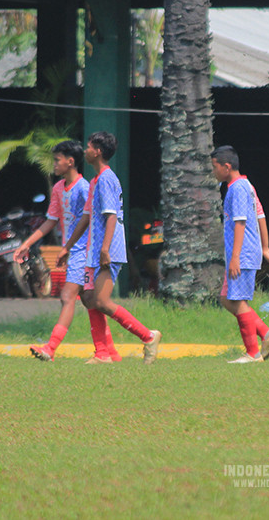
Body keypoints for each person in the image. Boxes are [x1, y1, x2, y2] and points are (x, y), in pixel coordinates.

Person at [58, 132, 162, 364]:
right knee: (88, 297)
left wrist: (105, 248)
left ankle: (148, 336)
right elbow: (86, 217)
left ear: (98, 152)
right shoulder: (95, 181)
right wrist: (68, 247)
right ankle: (103, 354)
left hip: (108, 250)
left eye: (88, 146)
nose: (85, 150)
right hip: (94, 251)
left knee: (102, 301)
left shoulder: (106, 179)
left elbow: (111, 215)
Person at [14, 140, 120, 363]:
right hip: (72, 252)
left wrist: (84, 249)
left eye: (57, 160)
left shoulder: (84, 188)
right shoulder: (58, 188)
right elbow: (50, 221)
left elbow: (90, 220)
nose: (53, 164)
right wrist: (27, 243)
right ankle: (109, 352)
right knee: (89, 301)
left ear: (70, 162)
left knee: (67, 296)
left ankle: (50, 348)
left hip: (83, 252)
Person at [210, 145, 269, 364]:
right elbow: (260, 215)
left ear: (227, 166)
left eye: (214, 167)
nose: (213, 172)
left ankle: (252, 353)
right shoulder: (247, 186)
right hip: (246, 252)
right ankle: (266, 333)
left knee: (237, 301)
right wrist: (265, 248)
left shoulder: (238, 188)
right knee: (226, 298)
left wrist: (235, 257)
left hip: (241, 254)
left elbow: (240, 222)